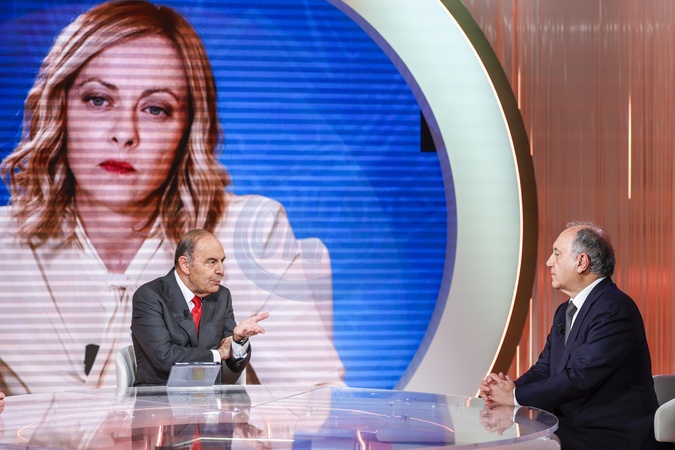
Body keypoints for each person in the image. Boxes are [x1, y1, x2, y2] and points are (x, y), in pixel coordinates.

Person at [0, 0, 344, 395]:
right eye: (98, 100)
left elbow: (316, 400)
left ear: (189, 127)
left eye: (155, 109)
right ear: (60, 108)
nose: (124, 133)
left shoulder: (250, 229)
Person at [479, 221, 661, 449]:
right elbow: (544, 368)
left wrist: (515, 397)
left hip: (611, 434)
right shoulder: (565, 310)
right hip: (573, 426)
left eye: (557, 254)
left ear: (581, 262)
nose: (549, 262)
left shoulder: (613, 308)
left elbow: (580, 377)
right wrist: (508, 389)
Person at [131, 229, 268, 386]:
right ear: (185, 265)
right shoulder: (150, 296)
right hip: (159, 395)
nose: (221, 271)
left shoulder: (222, 297)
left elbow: (235, 366)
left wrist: (238, 341)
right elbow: (165, 357)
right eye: (211, 262)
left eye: (222, 261)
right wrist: (217, 354)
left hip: (210, 396)